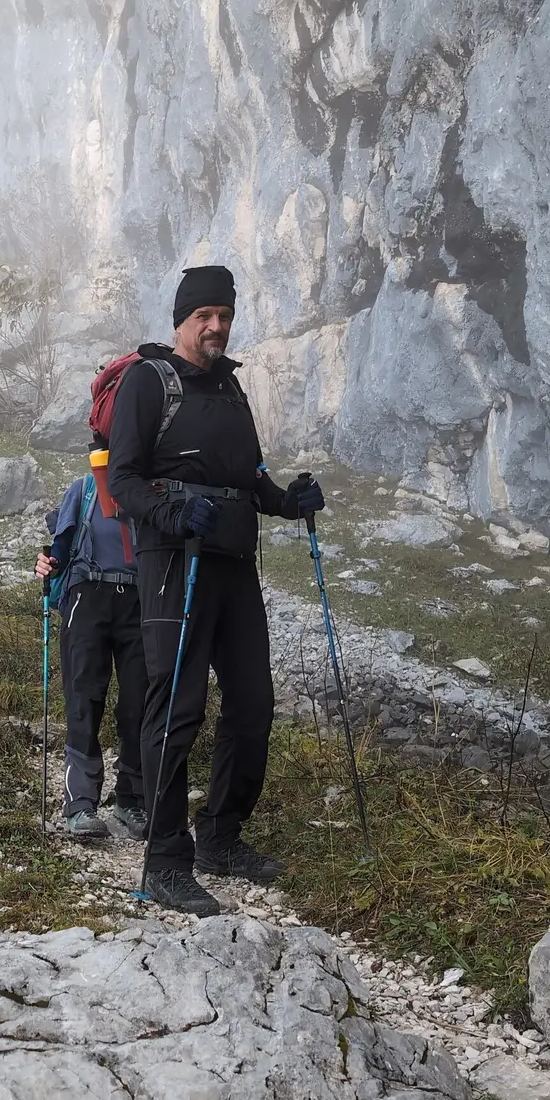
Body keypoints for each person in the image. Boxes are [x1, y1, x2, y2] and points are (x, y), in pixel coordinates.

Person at [107, 264, 326, 916]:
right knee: (177, 704)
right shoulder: (149, 381)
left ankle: (220, 836)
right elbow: (123, 479)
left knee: (254, 702)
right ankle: (166, 858)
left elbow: (248, 476)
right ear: (181, 319)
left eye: (225, 315)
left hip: (231, 562)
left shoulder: (231, 389)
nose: (217, 325)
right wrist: (174, 514)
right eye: (205, 315)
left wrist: (287, 501)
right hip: (176, 560)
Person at [35, 447, 148, 839]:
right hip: (88, 595)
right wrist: (47, 563)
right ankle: (80, 804)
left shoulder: (149, 489)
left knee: (140, 702)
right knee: (84, 699)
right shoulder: (83, 489)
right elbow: (61, 548)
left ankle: (131, 800)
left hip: (141, 600)